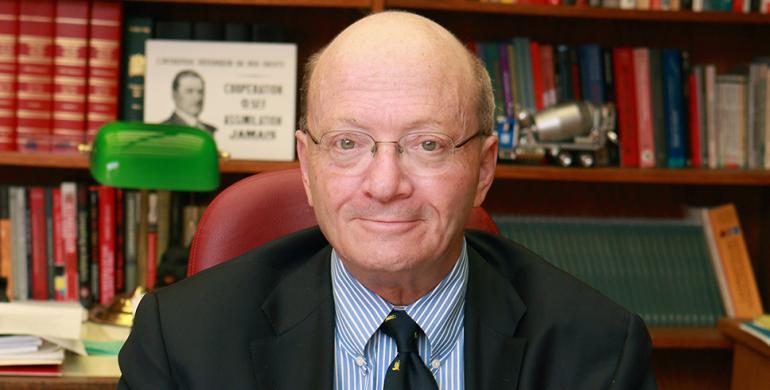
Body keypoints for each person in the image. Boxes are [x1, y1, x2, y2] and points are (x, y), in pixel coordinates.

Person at [118, 11, 656, 390]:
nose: (385, 183)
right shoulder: (183, 341)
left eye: (427, 145)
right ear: (307, 165)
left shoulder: (599, 351)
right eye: (348, 143)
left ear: (484, 168)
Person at [162, 69, 217, 134]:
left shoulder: (210, 130)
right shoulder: (164, 130)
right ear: (175, 95)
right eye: (189, 91)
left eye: (200, 92)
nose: (197, 98)